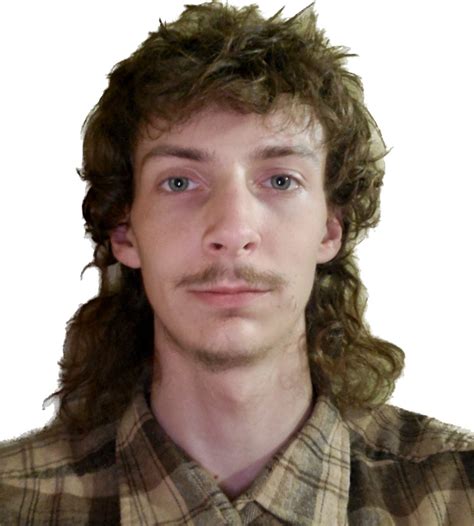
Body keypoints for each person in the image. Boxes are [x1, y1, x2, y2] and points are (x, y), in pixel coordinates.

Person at [1, 2, 472, 524]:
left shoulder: (460, 493)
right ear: (124, 230)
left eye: (280, 180)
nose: (231, 230)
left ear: (330, 228)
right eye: (179, 181)